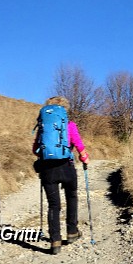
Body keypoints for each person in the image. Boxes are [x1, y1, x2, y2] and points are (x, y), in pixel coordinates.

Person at [33, 96, 89, 255]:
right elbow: (78, 144)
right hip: (67, 166)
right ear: (64, 110)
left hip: (48, 170)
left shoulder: (43, 127)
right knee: (71, 198)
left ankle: (55, 241)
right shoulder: (69, 125)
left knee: (54, 205)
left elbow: (35, 149)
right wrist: (85, 158)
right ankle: (72, 232)